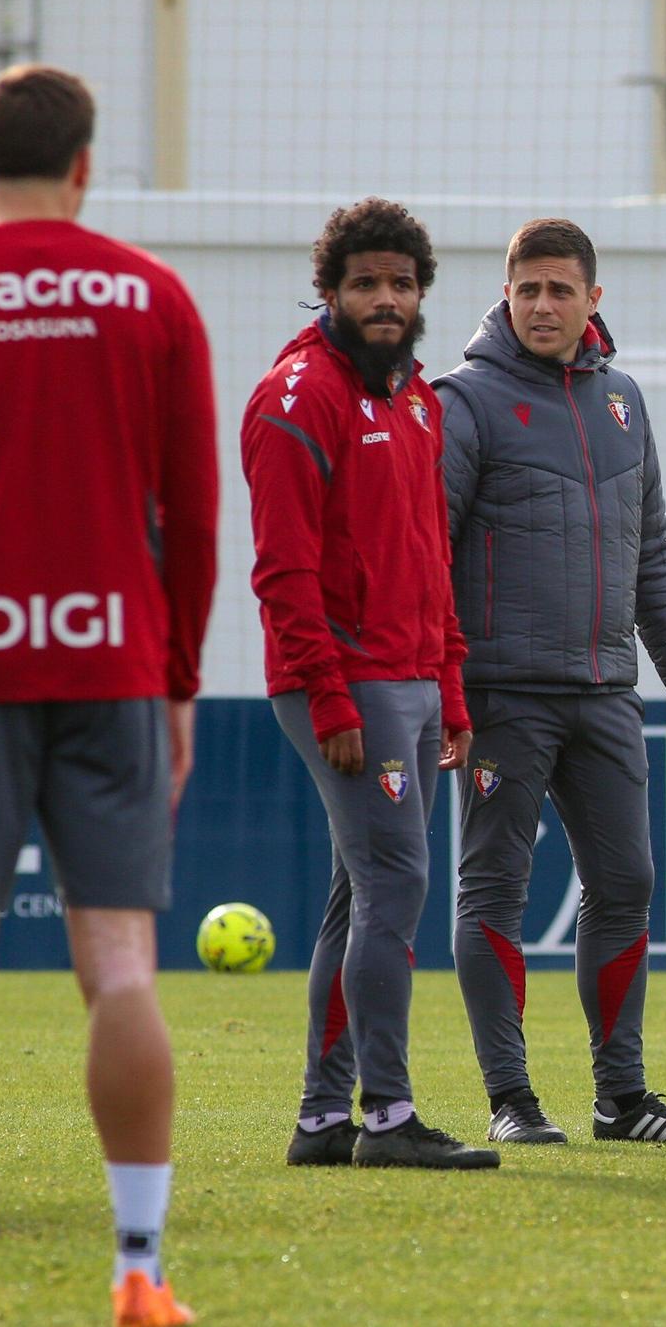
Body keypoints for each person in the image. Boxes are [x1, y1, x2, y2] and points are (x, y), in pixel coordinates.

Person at [0, 65, 216, 1326]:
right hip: (113, 660)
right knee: (122, 965)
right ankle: (138, 1271)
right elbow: (193, 514)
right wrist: (179, 679)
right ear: (85, 164)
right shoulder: (152, 296)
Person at [436, 218, 666, 1146]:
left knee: (627, 881)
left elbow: (652, 549)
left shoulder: (623, 401)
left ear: (593, 299)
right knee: (494, 889)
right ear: (505, 294)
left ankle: (622, 1101)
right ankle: (511, 1100)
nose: (543, 305)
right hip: (502, 696)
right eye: (527, 289)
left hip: (606, 690)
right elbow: (425, 553)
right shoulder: (464, 402)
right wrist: (443, 682)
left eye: (560, 289)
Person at [243, 197, 495, 1172]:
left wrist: (452, 687)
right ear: (330, 291)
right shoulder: (296, 396)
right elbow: (283, 570)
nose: (385, 299)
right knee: (395, 884)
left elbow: (431, 555)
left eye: (400, 282)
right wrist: (330, 694)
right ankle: (387, 1116)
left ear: (421, 291)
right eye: (364, 284)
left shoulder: (417, 398)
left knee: (362, 897)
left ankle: (322, 1118)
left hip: (413, 680)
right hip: (348, 684)